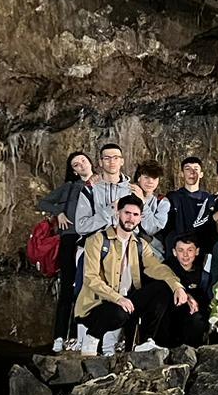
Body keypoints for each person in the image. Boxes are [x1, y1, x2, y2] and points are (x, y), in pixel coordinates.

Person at [74, 195, 189, 356]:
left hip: (127, 301)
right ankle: (92, 336)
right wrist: (117, 298)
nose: (130, 218)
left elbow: (157, 268)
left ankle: (145, 341)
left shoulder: (140, 244)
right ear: (118, 213)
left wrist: (177, 286)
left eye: (135, 215)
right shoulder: (97, 240)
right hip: (98, 304)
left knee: (163, 287)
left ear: (140, 218)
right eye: (127, 213)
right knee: (119, 312)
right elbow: (90, 278)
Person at [38, 150, 94, 353]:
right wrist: (59, 212)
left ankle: (87, 335)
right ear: (73, 171)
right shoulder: (69, 188)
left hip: (94, 238)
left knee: (92, 286)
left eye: (83, 161)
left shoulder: (102, 184)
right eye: (76, 164)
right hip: (70, 237)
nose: (81, 165)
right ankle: (60, 336)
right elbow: (42, 202)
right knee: (68, 288)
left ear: (90, 162)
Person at [160, 232, 213, 348]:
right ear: (174, 252)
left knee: (197, 321)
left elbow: (207, 294)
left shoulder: (204, 269)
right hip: (172, 313)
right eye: (180, 250)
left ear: (197, 251)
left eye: (190, 250)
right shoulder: (166, 267)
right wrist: (186, 295)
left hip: (196, 312)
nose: (185, 255)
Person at [74, 142, 133, 239]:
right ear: (100, 162)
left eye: (116, 158)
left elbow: (138, 225)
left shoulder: (131, 190)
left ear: (122, 161)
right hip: (97, 243)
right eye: (107, 158)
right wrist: (110, 209)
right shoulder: (90, 189)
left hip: (125, 243)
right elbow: (81, 227)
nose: (112, 162)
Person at [166, 155, 211, 250]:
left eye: (196, 169)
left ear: (201, 174)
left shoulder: (208, 199)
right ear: (182, 174)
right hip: (179, 250)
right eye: (187, 169)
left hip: (202, 248)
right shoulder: (173, 197)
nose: (192, 172)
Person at [133, 161, 170, 247]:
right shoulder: (127, 194)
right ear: (139, 178)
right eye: (146, 178)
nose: (150, 182)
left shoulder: (162, 202)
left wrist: (143, 201)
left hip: (150, 248)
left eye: (154, 179)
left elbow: (151, 229)